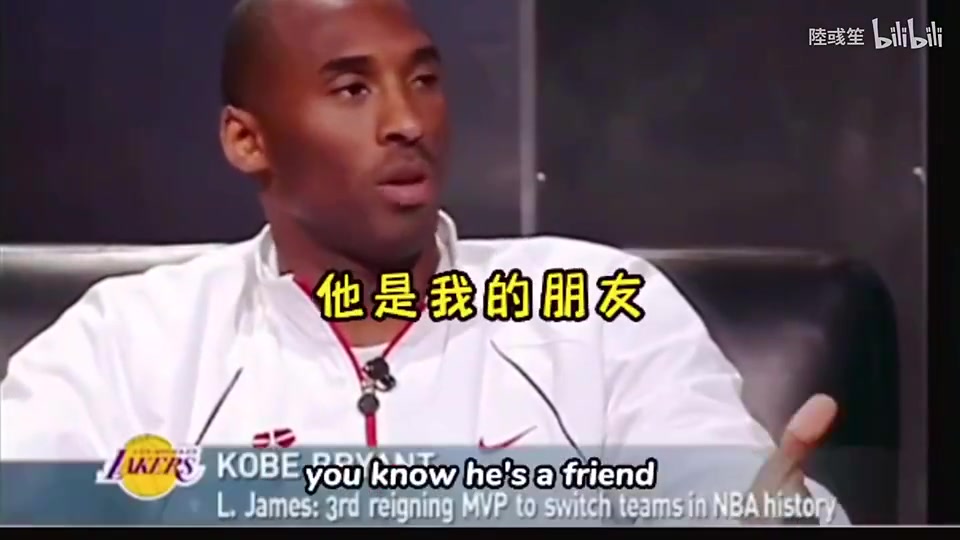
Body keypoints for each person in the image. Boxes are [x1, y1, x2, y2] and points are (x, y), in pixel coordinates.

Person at [1, 0, 848, 525]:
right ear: (247, 139)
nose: (408, 121)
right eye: (352, 89)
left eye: (425, 80)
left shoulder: (593, 306)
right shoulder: (131, 342)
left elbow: (730, 498)